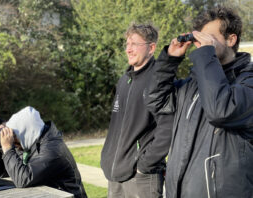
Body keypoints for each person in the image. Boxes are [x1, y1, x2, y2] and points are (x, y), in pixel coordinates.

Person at [146, 6, 253, 198]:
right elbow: (156, 101)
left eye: (210, 37)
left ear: (231, 39)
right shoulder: (192, 85)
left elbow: (221, 110)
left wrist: (206, 54)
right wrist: (170, 60)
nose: (203, 43)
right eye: (200, 39)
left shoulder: (247, 82)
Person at [101, 23, 173, 198]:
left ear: (151, 48)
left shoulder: (159, 80)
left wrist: (144, 165)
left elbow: (168, 128)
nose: (129, 49)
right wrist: (107, 158)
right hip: (115, 174)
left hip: (141, 178)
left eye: (134, 44)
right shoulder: (124, 80)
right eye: (127, 44)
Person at [0, 106, 87, 198]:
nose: (13, 141)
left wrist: (7, 148)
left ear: (27, 133)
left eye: (14, 136)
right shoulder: (32, 144)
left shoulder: (52, 151)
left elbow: (22, 179)